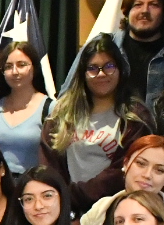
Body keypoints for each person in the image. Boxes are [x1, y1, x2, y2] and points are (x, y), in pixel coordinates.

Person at [41, 33, 154, 207]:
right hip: (65, 207)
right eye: (93, 68)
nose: (101, 74)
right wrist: (61, 198)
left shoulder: (136, 117)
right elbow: (49, 160)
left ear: (120, 69)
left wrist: (74, 195)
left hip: (115, 208)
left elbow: (123, 171)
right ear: (83, 74)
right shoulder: (63, 112)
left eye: (108, 66)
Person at [0, 41, 49, 174]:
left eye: (21, 65)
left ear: (35, 68)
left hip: (32, 188)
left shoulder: (50, 108)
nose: (15, 72)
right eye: (8, 67)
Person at [117, 0, 164, 108]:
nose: (145, 11)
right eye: (138, 5)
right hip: (111, 127)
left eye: (154, 5)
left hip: (159, 128)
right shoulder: (104, 47)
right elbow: (70, 93)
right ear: (127, 13)